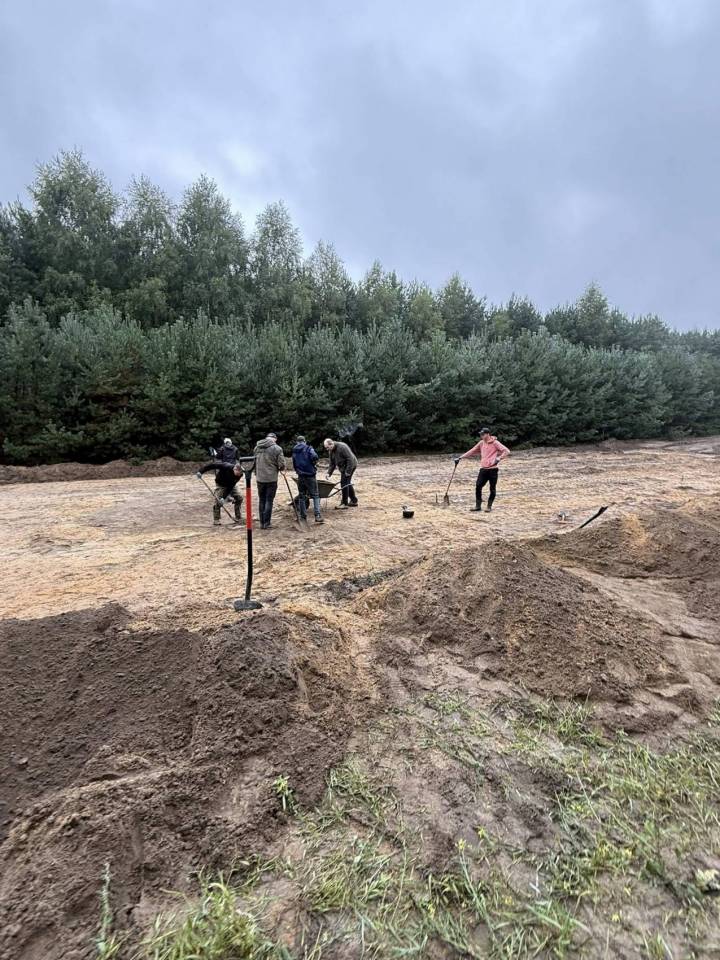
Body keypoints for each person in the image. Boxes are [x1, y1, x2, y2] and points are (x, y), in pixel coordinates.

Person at [455, 427, 510, 513]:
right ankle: (478, 506)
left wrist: (499, 458)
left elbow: (506, 451)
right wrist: (460, 457)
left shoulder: (495, 443)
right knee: (478, 486)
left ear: (488, 434)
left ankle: (489, 506)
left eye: (483, 434)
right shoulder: (481, 443)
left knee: (492, 488)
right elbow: (472, 451)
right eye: (481, 434)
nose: (481, 436)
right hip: (483, 469)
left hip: (493, 469)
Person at [196, 458, 244, 526]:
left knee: (239, 498)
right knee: (218, 500)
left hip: (230, 485)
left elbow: (230, 487)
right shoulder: (225, 466)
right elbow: (212, 465)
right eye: (238, 474)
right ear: (235, 469)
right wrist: (200, 471)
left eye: (240, 474)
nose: (239, 476)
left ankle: (238, 517)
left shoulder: (240, 474)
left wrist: (223, 498)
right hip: (220, 484)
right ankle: (216, 519)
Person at [253, 432, 285, 529]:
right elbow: (281, 464)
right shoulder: (277, 448)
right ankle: (267, 523)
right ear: (274, 439)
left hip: (260, 478)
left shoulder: (257, 447)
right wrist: (281, 468)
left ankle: (262, 523)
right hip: (271, 479)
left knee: (261, 500)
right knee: (269, 500)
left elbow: (254, 462)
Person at [292, 435, 324, 523]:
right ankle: (317, 516)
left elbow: (294, 463)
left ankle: (303, 517)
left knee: (302, 496)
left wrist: (298, 471)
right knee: (315, 495)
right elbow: (315, 457)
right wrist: (313, 464)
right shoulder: (309, 448)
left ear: (297, 442)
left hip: (300, 476)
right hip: (310, 476)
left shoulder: (294, 450)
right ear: (304, 441)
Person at [324, 438, 358, 509]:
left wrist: (348, 471)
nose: (327, 449)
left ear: (331, 444)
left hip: (351, 465)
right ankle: (354, 500)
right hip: (343, 467)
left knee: (344, 483)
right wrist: (329, 473)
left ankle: (344, 503)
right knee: (347, 482)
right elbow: (332, 463)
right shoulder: (331, 451)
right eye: (326, 448)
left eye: (327, 447)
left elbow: (350, 459)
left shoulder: (342, 447)